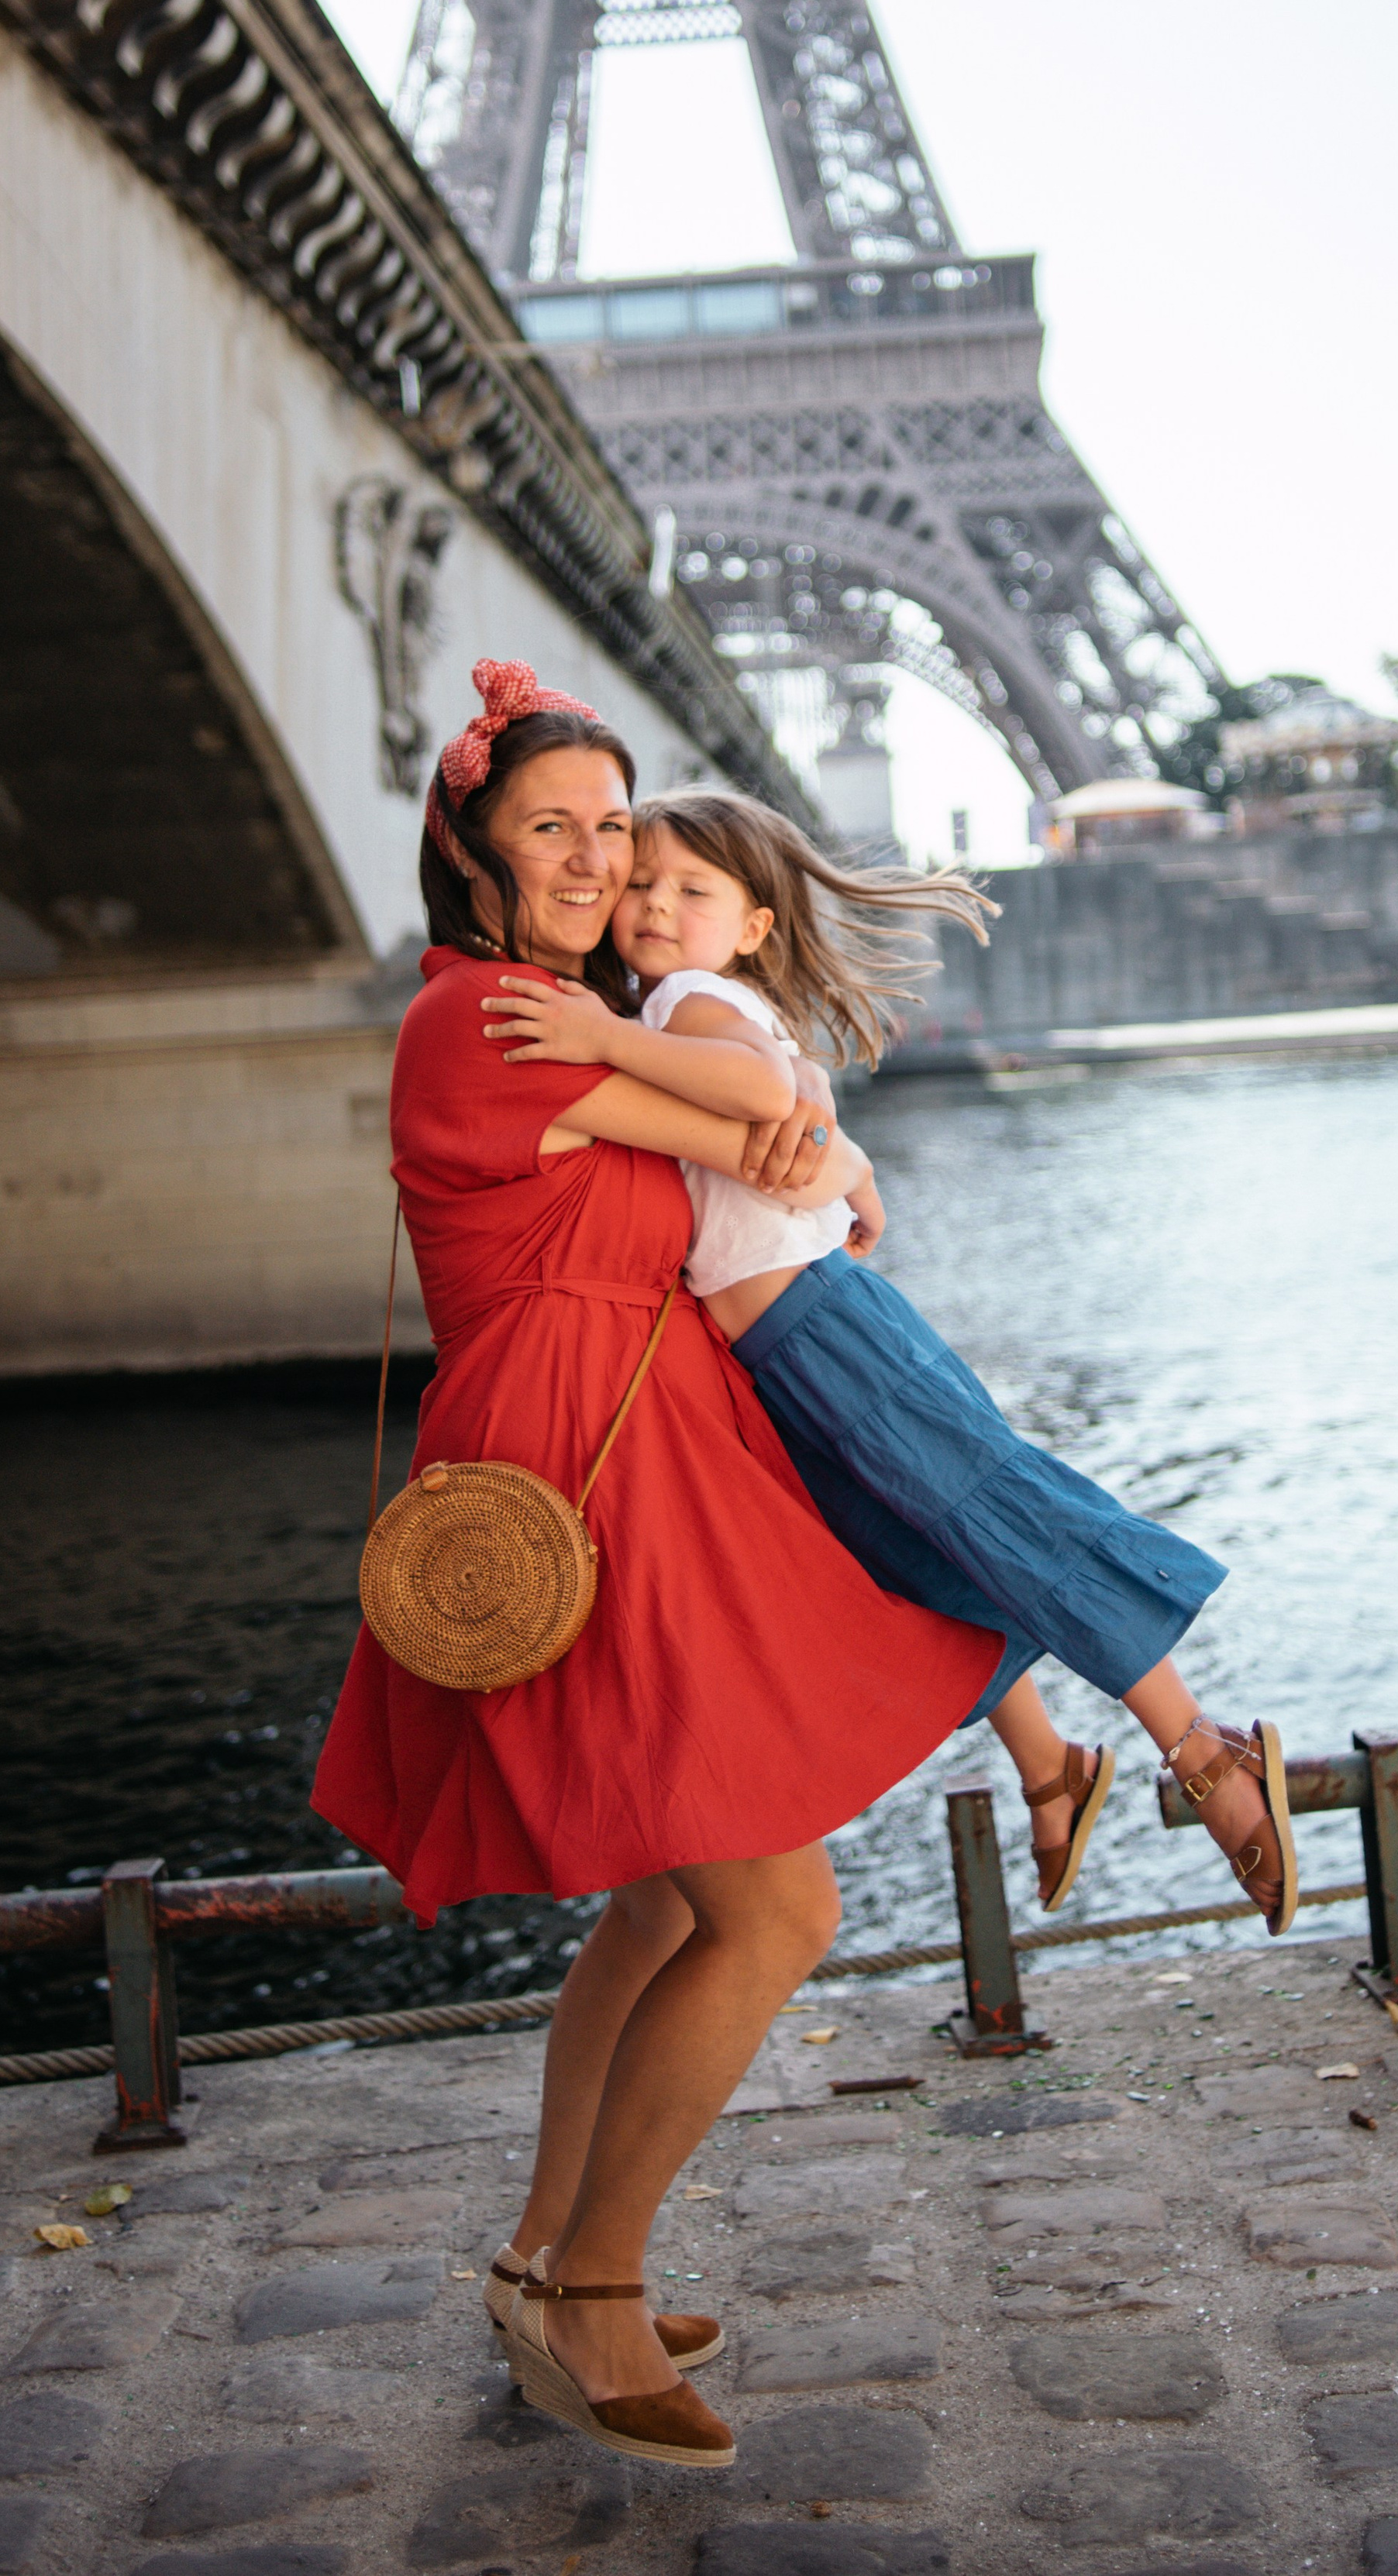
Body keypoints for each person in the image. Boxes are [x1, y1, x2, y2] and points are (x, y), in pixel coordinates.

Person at [312, 662, 1007, 2472]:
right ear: (470, 850)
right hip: (572, 1475)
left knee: (669, 1902)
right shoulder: (482, 1021)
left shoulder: (575, 1004)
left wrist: (809, 1137)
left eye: (610, 825)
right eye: (547, 823)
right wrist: (820, 1138)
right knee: (774, 1909)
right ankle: (594, 2289)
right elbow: (762, 1142)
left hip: (641, 1460)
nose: (588, 852)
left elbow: (774, 1144)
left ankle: (546, 2244)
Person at [479, 783, 1298, 1934]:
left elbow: (768, 1090)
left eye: (692, 890)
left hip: (823, 1327)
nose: (655, 906)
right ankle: (1051, 1762)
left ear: (755, 924)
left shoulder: (682, 1004)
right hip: (785, 1349)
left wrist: (605, 1039)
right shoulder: (695, 1000)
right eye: (644, 886)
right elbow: (788, 1085)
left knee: (995, 1506)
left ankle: (1201, 1746)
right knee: (910, 1550)